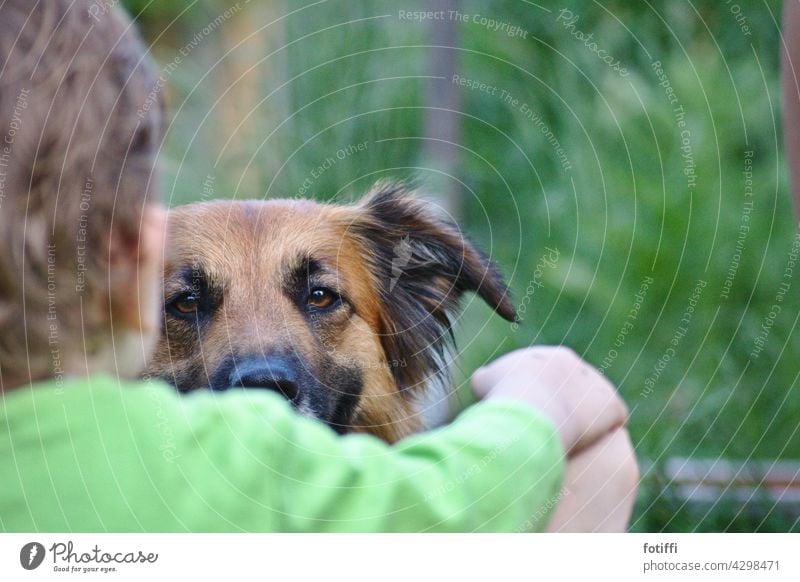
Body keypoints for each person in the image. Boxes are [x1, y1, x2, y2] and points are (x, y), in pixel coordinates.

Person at [0, 0, 637, 532]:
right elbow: (472, 495)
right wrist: (543, 392)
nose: (261, 365)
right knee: (599, 460)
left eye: (322, 299)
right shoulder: (249, 475)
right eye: (186, 305)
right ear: (124, 269)